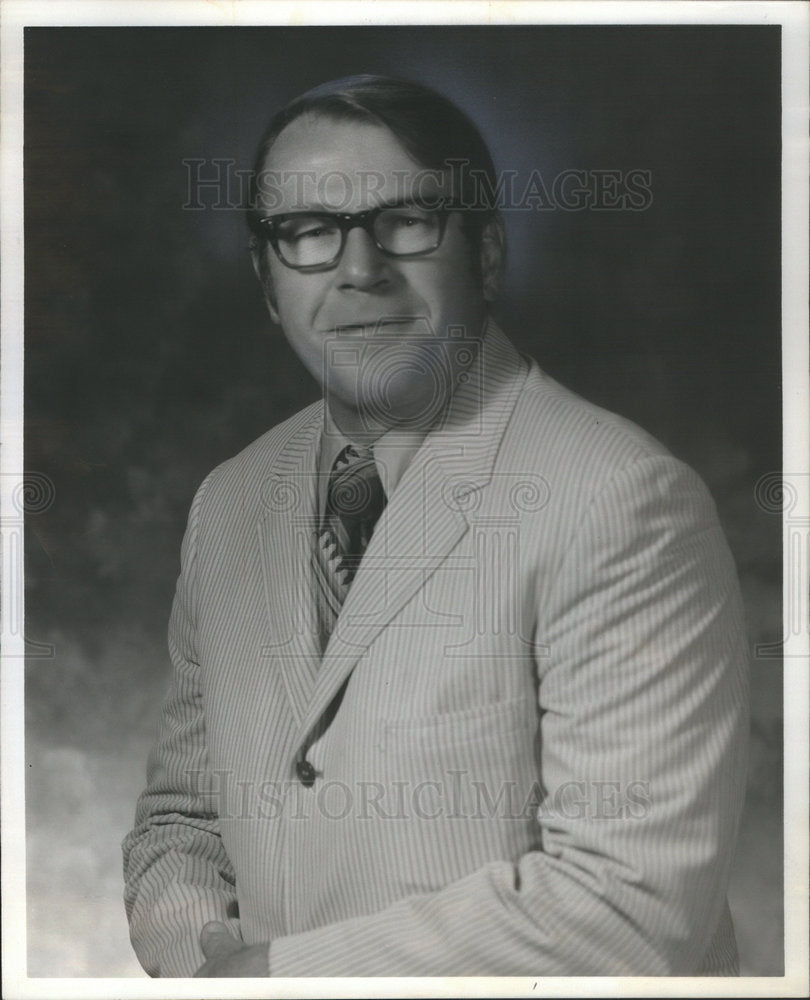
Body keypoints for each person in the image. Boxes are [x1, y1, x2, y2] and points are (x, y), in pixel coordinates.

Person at [122, 75, 749, 978]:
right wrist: (202, 968)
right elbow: (182, 822)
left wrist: (274, 980)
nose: (359, 267)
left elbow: (630, 907)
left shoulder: (620, 497)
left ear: (487, 254)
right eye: (306, 233)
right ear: (267, 282)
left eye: (408, 220)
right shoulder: (230, 500)